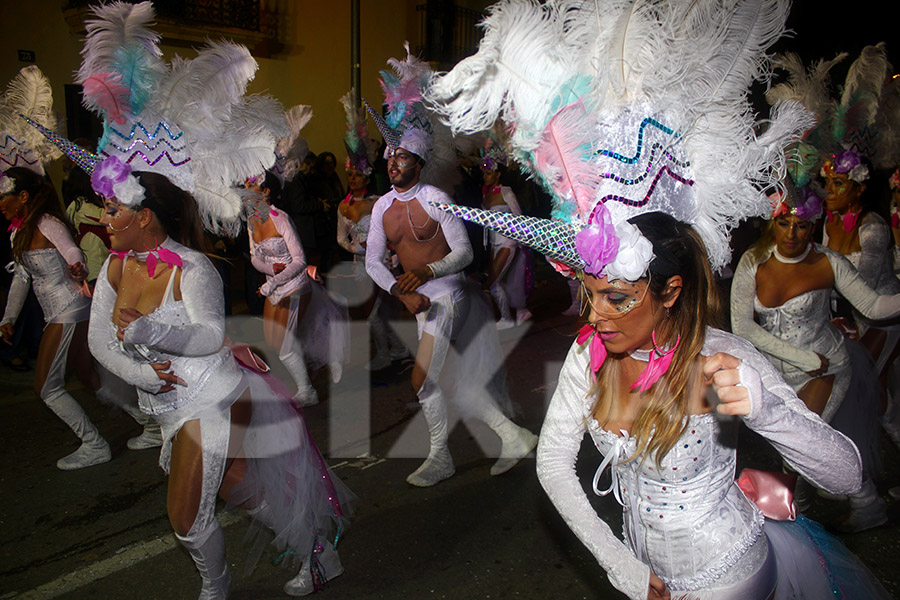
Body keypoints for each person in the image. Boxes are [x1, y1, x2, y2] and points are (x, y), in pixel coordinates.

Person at [425, 0, 890, 596]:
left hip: (729, 578)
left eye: (618, 297)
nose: (595, 316)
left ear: (670, 290)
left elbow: (847, 475)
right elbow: (552, 467)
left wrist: (768, 412)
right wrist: (622, 566)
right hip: (645, 577)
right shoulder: (588, 354)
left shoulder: (719, 359)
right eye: (589, 294)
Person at [41, 3, 354, 596]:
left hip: (210, 392)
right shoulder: (112, 268)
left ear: (148, 214)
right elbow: (102, 339)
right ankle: (316, 546)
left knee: (185, 515)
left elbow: (209, 336)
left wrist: (152, 334)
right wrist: (142, 368)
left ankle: (216, 588)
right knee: (239, 485)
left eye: (114, 209)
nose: (104, 218)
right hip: (167, 400)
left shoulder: (192, 268)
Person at [364, 47, 538, 487]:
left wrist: (426, 273)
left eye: (402, 158)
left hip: (450, 295)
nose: (393, 163)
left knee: (423, 379)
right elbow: (372, 261)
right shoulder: (383, 207)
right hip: (419, 300)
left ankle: (441, 457)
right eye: (390, 156)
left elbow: (463, 254)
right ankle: (512, 436)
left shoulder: (435, 200)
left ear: (418, 163)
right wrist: (402, 291)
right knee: (449, 380)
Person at [731, 189, 900, 531]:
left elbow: (873, 307)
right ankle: (859, 503)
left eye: (802, 225)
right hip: (779, 370)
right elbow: (743, 326)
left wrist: (811, 359)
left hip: (826, 367)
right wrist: (799, 356)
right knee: (803, 443)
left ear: (814, 226)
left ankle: (795, 514)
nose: (792, 234)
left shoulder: (828, 262)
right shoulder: (753, 260)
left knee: (799, 441)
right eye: (784, 223)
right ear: (773, 224)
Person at [0, 167, 111, 469]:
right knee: (88, 375)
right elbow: (21, 280)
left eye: (4, 196)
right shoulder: (18, 233)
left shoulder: (46, 222)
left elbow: (72, 250)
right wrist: (7, 317)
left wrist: (77, 265)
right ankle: (148, 423)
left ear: (22, 197)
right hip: (61, 311)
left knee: (46, 387)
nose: (1, 203)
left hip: (69, 307)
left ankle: (94, 444)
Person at [246, 170, 348, 406]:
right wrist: (271, 271)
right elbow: (253, 257)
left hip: (295, 284)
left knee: (283, 345)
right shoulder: (251, 220)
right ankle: (326, 351)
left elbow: (300, 260)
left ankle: (307, 391)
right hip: (275, 286)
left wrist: (272, 282)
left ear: (265, 191)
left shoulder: (280, 218)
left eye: (250, 184)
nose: (244, 189)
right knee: (275, 341)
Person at [337, 91, 409, 370]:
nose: (352, 178)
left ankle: (386, 354)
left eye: (357, 174)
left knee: (377, 312)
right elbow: (341, 239)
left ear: (366, 175)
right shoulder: (342, 207)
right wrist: (358, 248)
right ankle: (398, 348)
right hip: (360, 266)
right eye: (349, 174)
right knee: (375, 311)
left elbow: (395, 232)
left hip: (382, 263)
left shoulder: (378, 202)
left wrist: (390, 256)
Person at [479, 149, 532, 329]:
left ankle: (506, 319)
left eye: (488, 173)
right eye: (484, 174)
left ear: (498, 174)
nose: (485, 177)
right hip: (494, 243)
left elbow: (518, 216)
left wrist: (522, 240)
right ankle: (519, 311)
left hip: (509, 241)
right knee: (501, 280)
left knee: (493, 282)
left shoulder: (505, 191)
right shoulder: (485, 194)